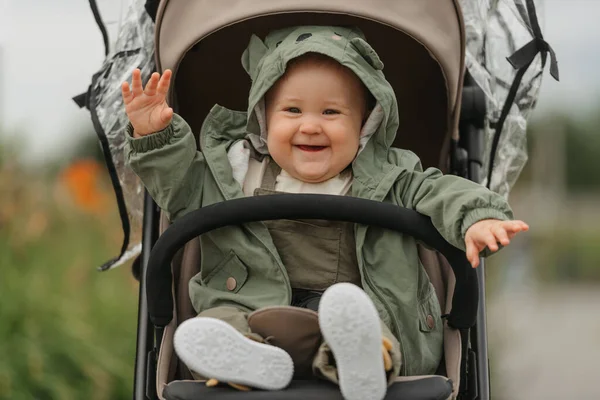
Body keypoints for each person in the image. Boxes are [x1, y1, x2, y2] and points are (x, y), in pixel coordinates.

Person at [122, 26, 528, 400]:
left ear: (365, 126)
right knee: (220, 320)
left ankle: (365, 361)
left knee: (362, 319)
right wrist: (155, 135)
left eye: (331, 113)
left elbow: (442, 192)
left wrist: (477, 216)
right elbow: (181, 188)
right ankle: (242, 361)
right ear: (264, 119)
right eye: (292, 111)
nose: (311, 126)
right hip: (252, 311)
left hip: (350, 312)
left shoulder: (392, 178)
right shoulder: (234, 173)